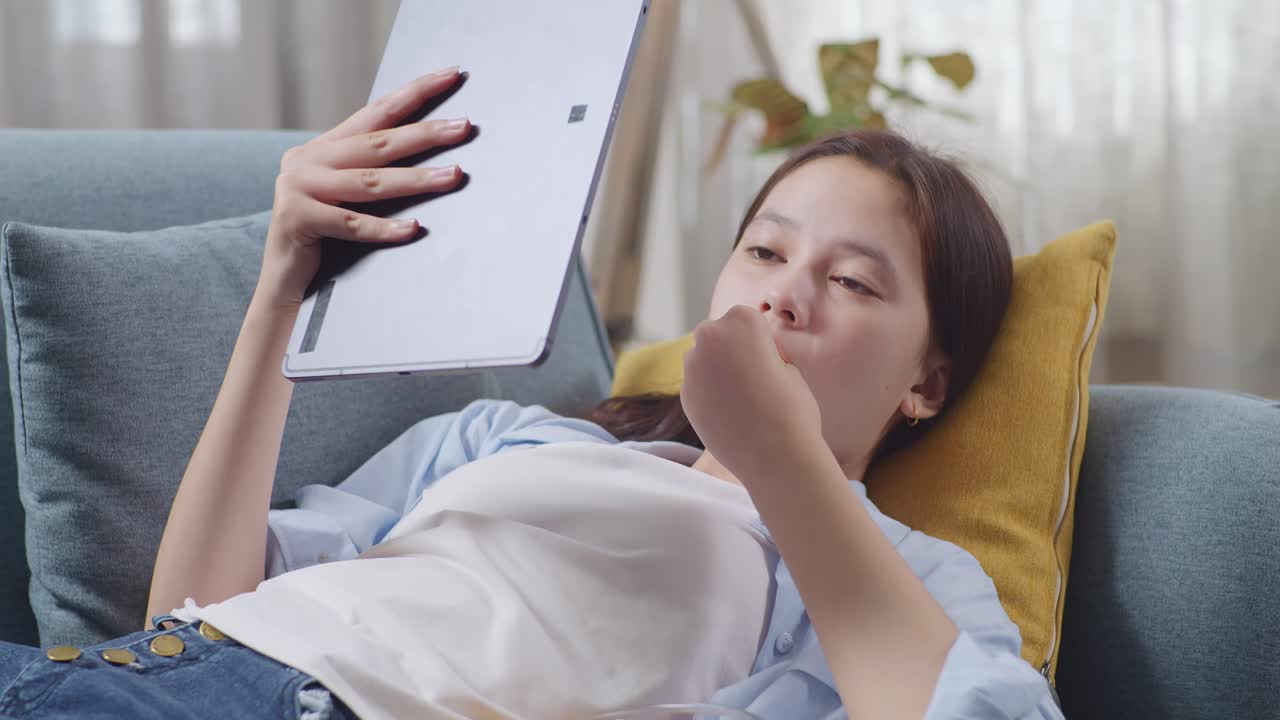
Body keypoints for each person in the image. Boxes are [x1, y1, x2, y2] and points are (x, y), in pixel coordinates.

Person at [0, 67, 1064, 720]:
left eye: (852, 282)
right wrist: (284, 293)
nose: (784, 296)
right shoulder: (506, 436)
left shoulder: (911, 579)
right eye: (763, 251)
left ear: (925, 383)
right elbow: (192, 611)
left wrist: (784, 464)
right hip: (127, 677)